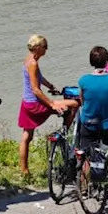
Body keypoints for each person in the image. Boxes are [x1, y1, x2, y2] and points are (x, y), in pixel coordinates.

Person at [18, 35, 77, 178]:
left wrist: (50, 86)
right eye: (45, 46)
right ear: (38, 47)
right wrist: (51, 103)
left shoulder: (28, 60)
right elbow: (35, 89)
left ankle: (24, 171)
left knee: (26, 136)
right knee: (74, 104)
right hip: (35, 103)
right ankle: (64, 132)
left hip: (26, 103)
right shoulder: (33, 63)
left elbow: (38, 77)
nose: (47, 49)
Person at [77, 46, 108, 152]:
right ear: (106, 62)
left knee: (86, 151)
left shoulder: (83, 80)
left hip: (88, 123)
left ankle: (84, 165)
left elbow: (82, 102)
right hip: (107, 124)